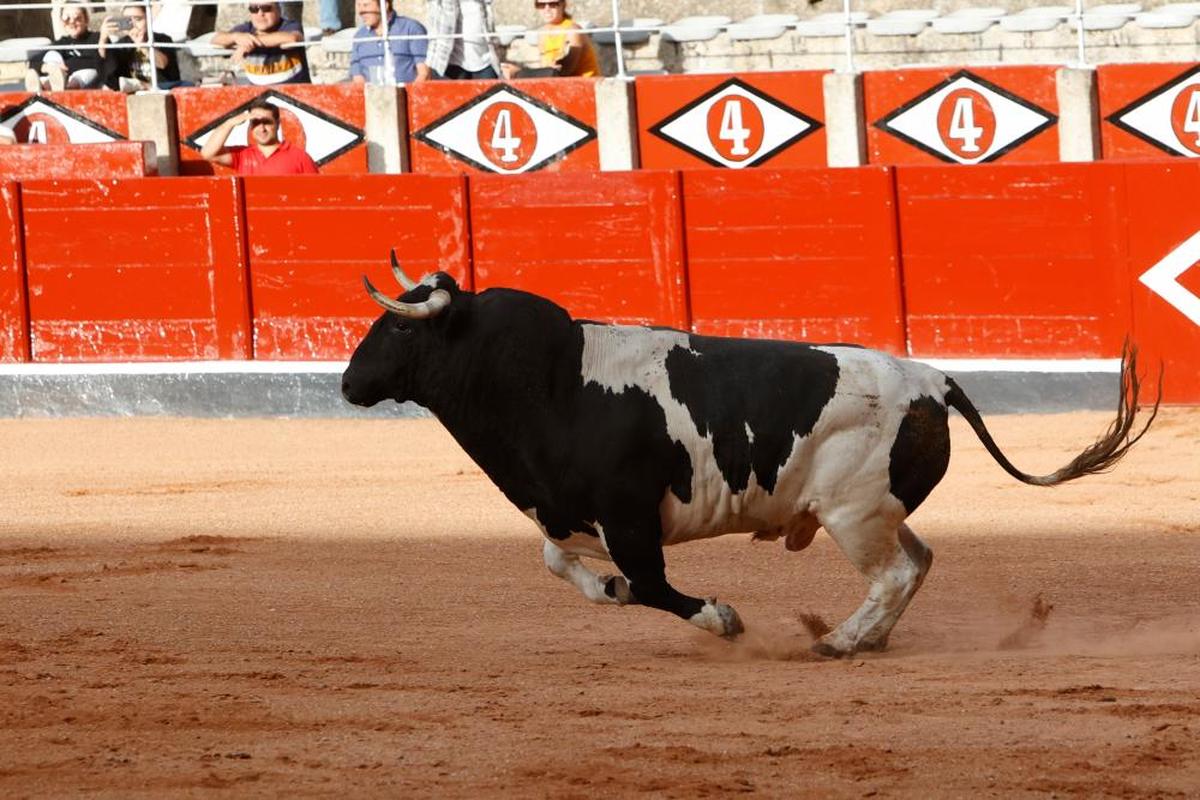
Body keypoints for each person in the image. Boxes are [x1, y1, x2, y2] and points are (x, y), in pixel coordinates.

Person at [200, 98, 319, 175]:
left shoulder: (300, 157)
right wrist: (230, 123)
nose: (262, 128)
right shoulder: (243, 155)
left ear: (277, 124)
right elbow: (207, 153)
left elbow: (316, 193)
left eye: (267, 122)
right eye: (256, 123)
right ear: (251, 126)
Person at [25, 1, 120, 92]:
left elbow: (99, 62)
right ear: (62, 22)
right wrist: (48, 67)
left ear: (86, 20)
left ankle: (54, 86)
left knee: (87, 73)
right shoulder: (62, 42)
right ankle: (46, 84)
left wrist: (66, 67)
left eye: (77, 18)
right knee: (51, 55)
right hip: (62, 76)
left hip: (83, 81)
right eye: (67, 19)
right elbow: (33, 61)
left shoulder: (97, 38)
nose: (72, 22)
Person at [212, 1, 310, 85]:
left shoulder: (290, 26)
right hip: (259, 96)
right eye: (254, 9)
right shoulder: (247, 29)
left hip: (293, 92)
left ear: (278, 10)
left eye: (266, 8)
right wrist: (236, 37)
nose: (260, 13)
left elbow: (292, 38)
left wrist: (250, 42)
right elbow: (216, 39)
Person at [502, 0, 596, 79]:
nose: (547, 9)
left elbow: (565, 71)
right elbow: (546, 70)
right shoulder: (543, 33)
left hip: (583, 84)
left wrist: (519, 73)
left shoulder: (573, 30)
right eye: (541, 5)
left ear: (563, 4)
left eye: (553, 4)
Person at [105, 2, 186, 92]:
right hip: (135, 91)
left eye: (138, 19)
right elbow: (109, 75)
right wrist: (102, 39)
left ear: (148, 19)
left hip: (162, 88)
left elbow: (162, 64)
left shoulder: (162, 39)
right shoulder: (121, 45)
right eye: (128, 21)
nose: (134, 25)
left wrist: (142, 45)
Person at [349, 0, 430, 85]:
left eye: (366, 5)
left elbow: (424, 73)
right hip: (370, 95)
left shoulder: (411, 28)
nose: (361, 11)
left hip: (407, 95)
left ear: (385, 5)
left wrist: (412, 95)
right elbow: (357, 77)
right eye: (358, 5)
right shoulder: (359, 36)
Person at [425, 0, 500, 80]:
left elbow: (492, 34)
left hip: (485, 63)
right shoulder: (442, 3)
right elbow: (435, 31)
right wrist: (430, 63)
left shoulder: (484, 3)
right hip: (450, 64)